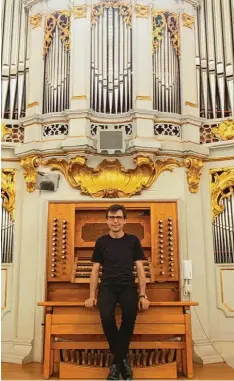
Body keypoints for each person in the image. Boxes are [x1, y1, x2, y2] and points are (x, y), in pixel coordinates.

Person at [85, 204, 150, 380]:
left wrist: (143, 295)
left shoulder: (133, 241)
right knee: (106, 316)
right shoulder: (101, 242)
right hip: (107, 286)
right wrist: (92, 295)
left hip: (128, 286)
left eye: (119, 217)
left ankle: (116, 363)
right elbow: (95, 270)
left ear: (124, 220)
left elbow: (140, 269)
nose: (115, 221)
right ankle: (122, 360)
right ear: (107, 220)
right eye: (112, 217)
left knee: (130, 316)